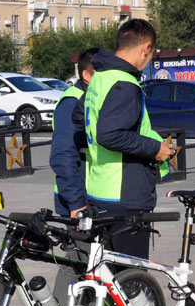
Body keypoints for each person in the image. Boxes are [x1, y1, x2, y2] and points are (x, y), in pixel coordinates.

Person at [72, 19, 173, 258]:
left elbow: (79, 115)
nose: (148, 61)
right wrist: (154, 149)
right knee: (131, 279)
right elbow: (110, 134)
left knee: (109, 278)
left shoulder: (100, 78)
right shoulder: (125, 83)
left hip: (99, 189)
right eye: (151, 55)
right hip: (125, 195)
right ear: (146, 47)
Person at [50, 47, 99, 217]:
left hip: (93, 193)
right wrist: (76, 203)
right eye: (102, 75)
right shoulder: (73, 102)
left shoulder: (93, 98)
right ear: (87, 76)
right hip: (79, 199)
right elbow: (62, 155)